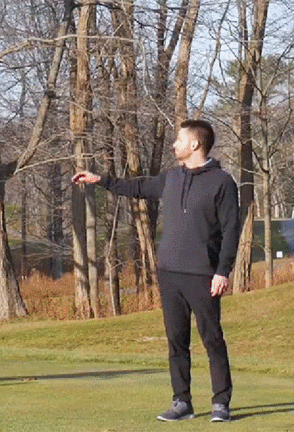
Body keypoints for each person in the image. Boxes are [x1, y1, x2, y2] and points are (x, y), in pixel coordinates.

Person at [72, 119, 240, 423]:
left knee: (212, 338)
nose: (174, 144)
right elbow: (136, 187)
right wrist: (100, 180)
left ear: (194, 144)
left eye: (179, 140)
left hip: (204, 274)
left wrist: (223, 271)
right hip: (170, 273)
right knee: (176, 341)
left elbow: (231, 231)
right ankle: (182, 402)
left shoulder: (222, 183)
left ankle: (221, 403)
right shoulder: (171, 178)